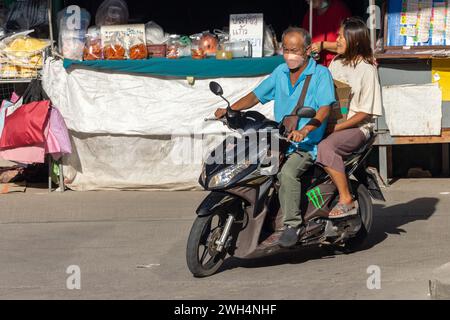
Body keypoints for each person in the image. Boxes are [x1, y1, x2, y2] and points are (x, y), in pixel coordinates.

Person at [215, 27, 335, 248]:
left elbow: (324, 109)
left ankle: (292, 225)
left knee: (288, 174)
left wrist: (305, 130)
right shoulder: (280, 72)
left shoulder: (321, 75)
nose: (290, 55)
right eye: (286, 50)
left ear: (308, 50)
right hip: (279, 139)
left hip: (306, 143)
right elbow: (255, 96)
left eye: (295, 50)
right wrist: (230, 109)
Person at [316, 17, 383, 218]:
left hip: (357, 127)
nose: (336, 40)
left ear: (354, 41)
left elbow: (365, 112)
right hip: (332, 122)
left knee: (325, 148)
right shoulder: (336, 63)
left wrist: (336, 128)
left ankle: (346, 198)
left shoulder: (367, 70)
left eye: (341, 37)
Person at [302, 0, 351, 66]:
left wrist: (322, 45)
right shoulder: (310, 14)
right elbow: (304, 39)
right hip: (316, 65)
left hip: (338, 64)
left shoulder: (339, 10)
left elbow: (349, 43)